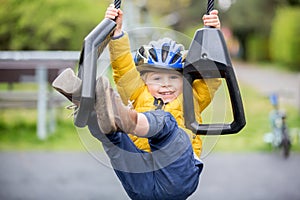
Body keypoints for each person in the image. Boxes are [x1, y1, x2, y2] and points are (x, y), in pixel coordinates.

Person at [52, 4, 221, 200]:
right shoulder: (137, 93)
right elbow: (123, 67)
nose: (166, 85)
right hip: (142, 184)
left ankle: (126, 118)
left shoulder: (192, 97)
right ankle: (92, 108)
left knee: (164, 121)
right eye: (157, 79)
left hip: (177, 177)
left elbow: (211, 76)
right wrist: (116, 33)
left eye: (174, 78)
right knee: (111, 136)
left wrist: (213, 36)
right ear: (144, 80)